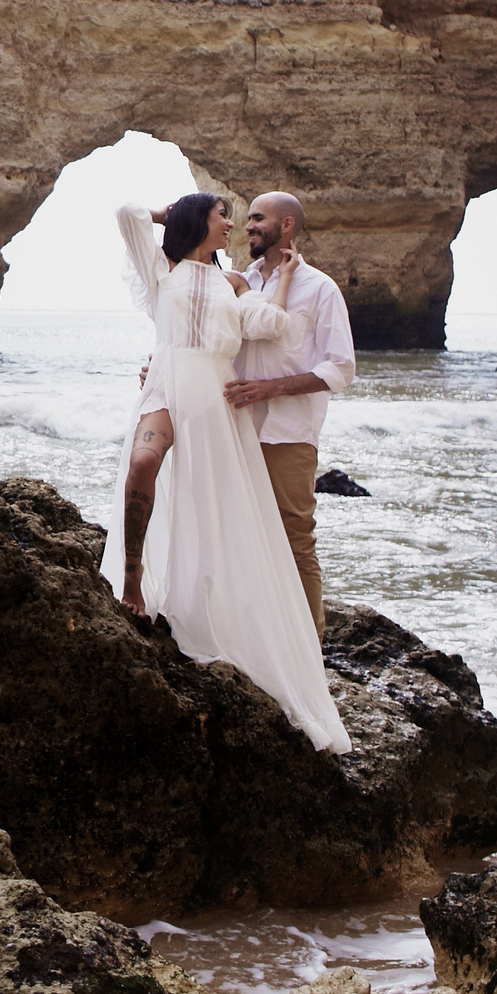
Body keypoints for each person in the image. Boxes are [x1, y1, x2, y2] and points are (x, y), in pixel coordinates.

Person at [101, 193, 350, 754]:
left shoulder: (237, 282)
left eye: (246, 217)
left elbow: (276, 327)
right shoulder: (163, 269)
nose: (236, 223)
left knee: (223, 513)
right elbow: (126, 214)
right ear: (201, 222)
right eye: (224, 215)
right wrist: (179, 212)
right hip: (167, 384)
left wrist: (282, 279)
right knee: (144, 464)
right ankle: (134, 580)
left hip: (221, 404)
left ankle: (256, 627)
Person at [222, 192, 356, 636]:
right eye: (248, 219)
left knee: (295, 537)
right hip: (236, 429)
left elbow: (340, 368)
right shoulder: (240, 283)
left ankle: (310, 649)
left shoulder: (319, 288)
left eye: (258, 219)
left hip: (288, 434)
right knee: (239, 535)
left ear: (287, 226)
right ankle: (257, 640)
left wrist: (271, 388)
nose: (248, 226)